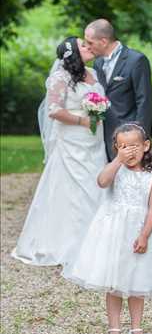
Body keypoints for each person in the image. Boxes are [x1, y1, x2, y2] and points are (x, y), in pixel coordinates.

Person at [62, 122, 152, 334]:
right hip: (113, 233)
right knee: (114, 282)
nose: (128, 151)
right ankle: (114, 329)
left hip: (139, 232)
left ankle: (136, 328)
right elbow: (102, 182)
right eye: (122, 146)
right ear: (116, 148)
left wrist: (144, 235)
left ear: (146, 146)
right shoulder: (115, 168)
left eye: (133, 146)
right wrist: (118, 160)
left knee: (137, 280)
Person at [12, 36, 107, 266]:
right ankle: (70, 245)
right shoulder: (60, 77)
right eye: (83, 45)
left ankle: (99, 243)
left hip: (95, 141)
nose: (88, 47)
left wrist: (98, 112)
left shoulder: (94, 73)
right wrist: (82, 121)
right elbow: (54, 111)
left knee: (97, 185)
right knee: (74, 191)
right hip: (72, 141)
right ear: (73, 52)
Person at [84, 19, 152, 161]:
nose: (87, 47)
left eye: (90, 42)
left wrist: (139, 137)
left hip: (128, 134)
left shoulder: (136, 60)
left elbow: (144, 101)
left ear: (103, 41)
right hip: (103, 133)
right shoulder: (97, 63)